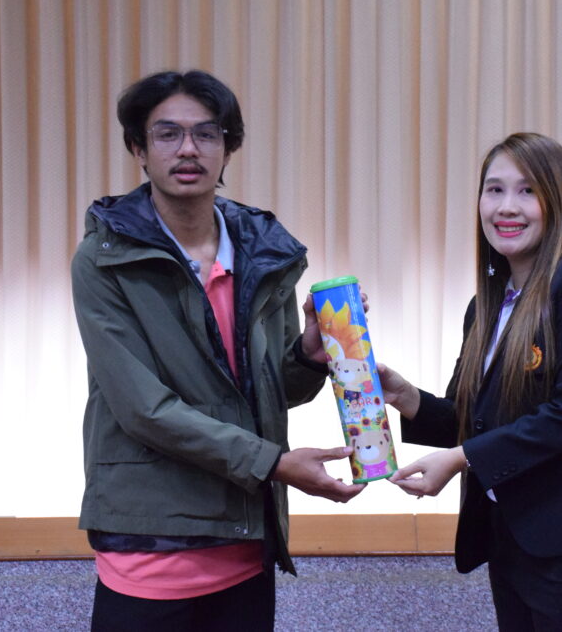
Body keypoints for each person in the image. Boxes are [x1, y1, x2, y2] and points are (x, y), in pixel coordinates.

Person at [70, 69, 364, 631]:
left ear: (228, 148)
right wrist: (273, 463)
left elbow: (275, 391)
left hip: (244, 535)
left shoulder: (264, 250)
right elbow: (142, 409)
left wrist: (307, 354)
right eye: (167, 134)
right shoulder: (103, 259)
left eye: (207, 134)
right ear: (139, 149)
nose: (188, 149)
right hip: (151, 542)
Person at [378, 133, 562, 630]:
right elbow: (473, 423)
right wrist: (406, 397)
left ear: (557, 201)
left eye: (527, 191)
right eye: (494, 190)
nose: (506, 207)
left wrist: (460, 459)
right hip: (512, 541)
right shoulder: (485, 307)